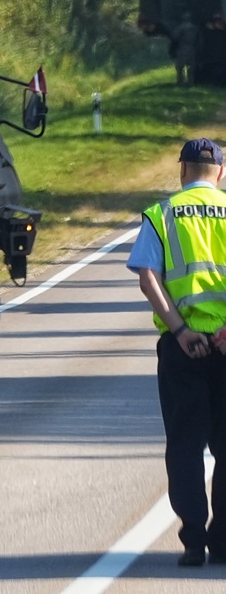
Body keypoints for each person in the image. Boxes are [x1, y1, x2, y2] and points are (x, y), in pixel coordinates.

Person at [126, 137, 226, 566]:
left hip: (182, 349)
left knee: (184, 445)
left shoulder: (161, 215)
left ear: (182, 170)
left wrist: (182, 330)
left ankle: (192, 541)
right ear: (220, 172)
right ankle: (223, 542)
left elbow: (148, 279)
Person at [171, 13, 199, 86]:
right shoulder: (195, 28)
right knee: (191, 66)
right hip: (192, 47)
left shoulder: (181, 27)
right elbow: (199, 39)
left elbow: (175, 36)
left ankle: (181, 81)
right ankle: (191, 81)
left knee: (180, 66)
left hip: (183, 47)